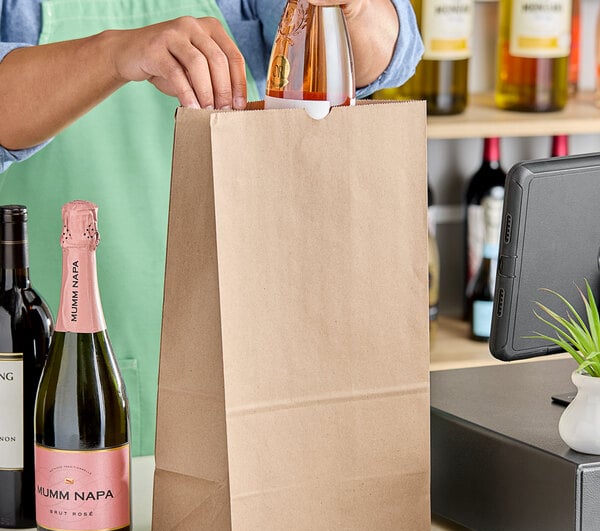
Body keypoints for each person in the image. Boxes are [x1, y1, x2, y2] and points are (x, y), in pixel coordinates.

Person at [0, 0, 424, 456]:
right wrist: (113, 54)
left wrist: (353, 10)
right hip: (41, 349)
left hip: (235, 340)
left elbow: (390, 56)